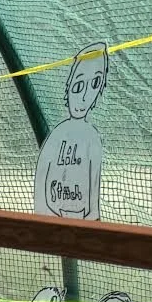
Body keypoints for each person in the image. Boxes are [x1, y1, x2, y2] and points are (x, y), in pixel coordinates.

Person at [34, 44, 107, 219]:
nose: (84, 96)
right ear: (68, 87)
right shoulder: (55, 137)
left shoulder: (92, 138)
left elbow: (93, 205)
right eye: (78, 86)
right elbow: (40, 197)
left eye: (95, 84)